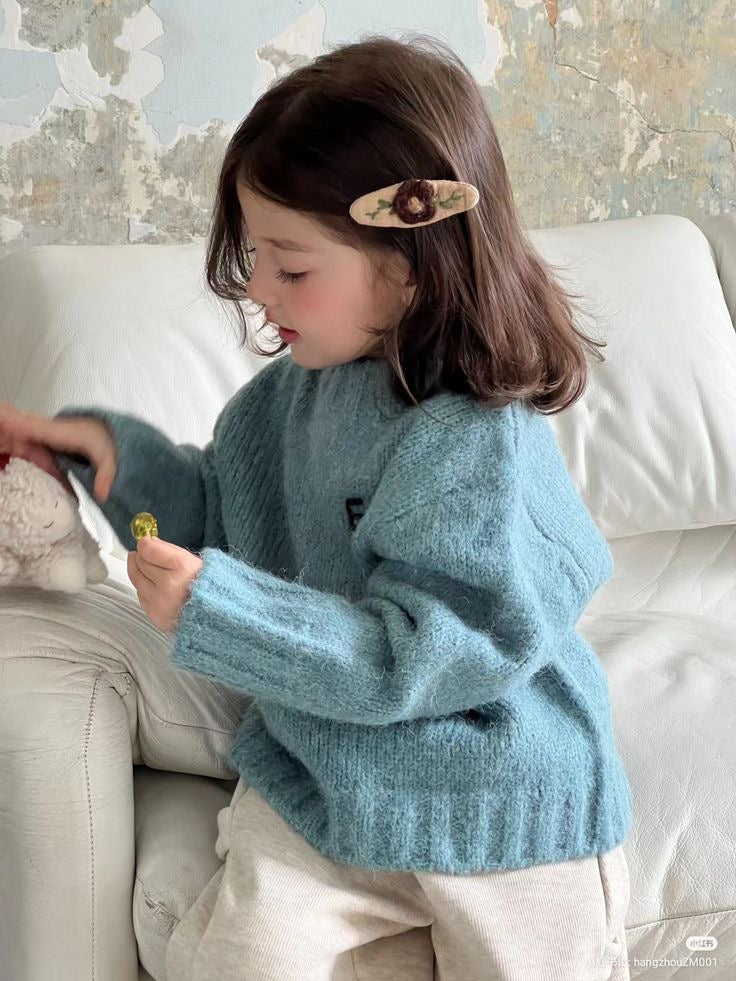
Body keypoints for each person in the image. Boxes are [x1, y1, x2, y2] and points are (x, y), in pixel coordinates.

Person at [0, 33, 633, 981]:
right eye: (256, 256)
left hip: (496, 796)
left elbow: (416, 655)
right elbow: (229, 514)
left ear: (411, 264)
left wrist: (222, 611)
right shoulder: (296, 394)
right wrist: (115, 461)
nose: (258, 289)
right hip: (328, 777)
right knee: (236, 959)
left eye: (290, 268)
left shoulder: (474, 441)